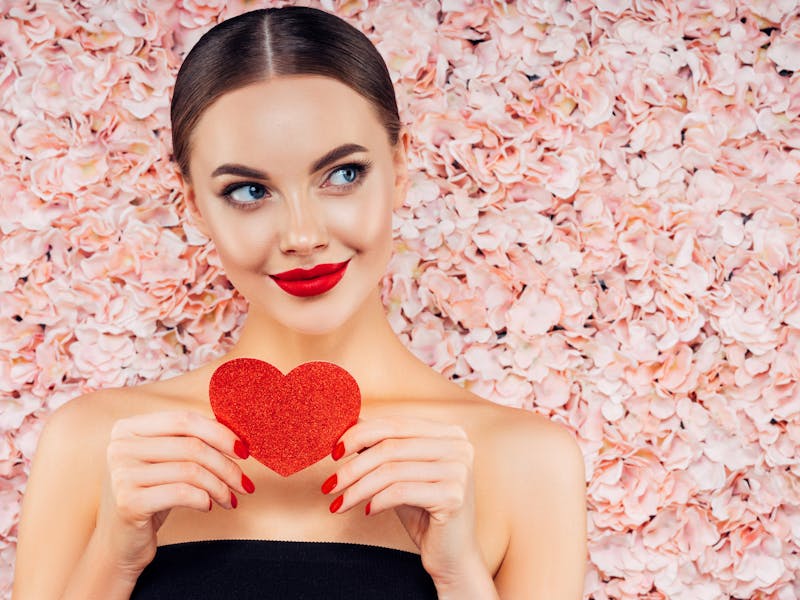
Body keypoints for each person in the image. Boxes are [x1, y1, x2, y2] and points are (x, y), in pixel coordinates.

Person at [12, 5, 587, 599]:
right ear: (192, 205)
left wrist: (458, 574)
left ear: (400, 165)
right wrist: (113, 555)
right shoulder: (95, 443)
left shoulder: (526, 459)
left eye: (342, 175)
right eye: (249, 190)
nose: (302, 235)